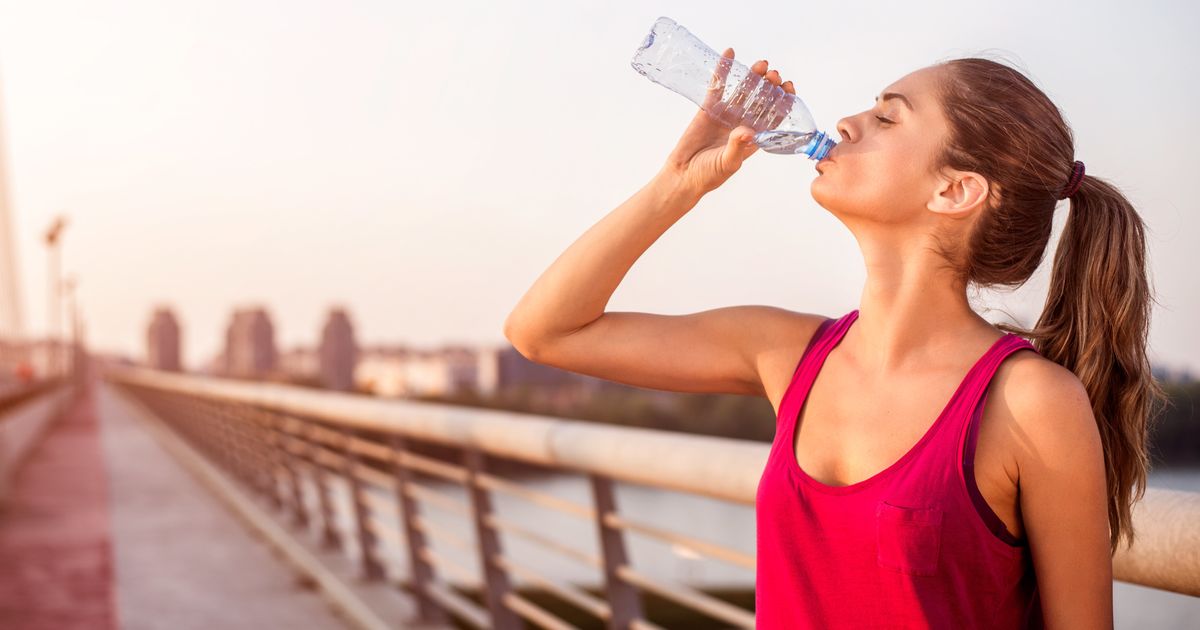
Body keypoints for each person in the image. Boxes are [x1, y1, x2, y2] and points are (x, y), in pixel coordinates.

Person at [503, 48, 1165, 628]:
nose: (846, 123)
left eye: (887, 118)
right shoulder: (783, 352)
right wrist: (677, 185)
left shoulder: (1030, 404)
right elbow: (543, 332)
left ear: (956, 189)